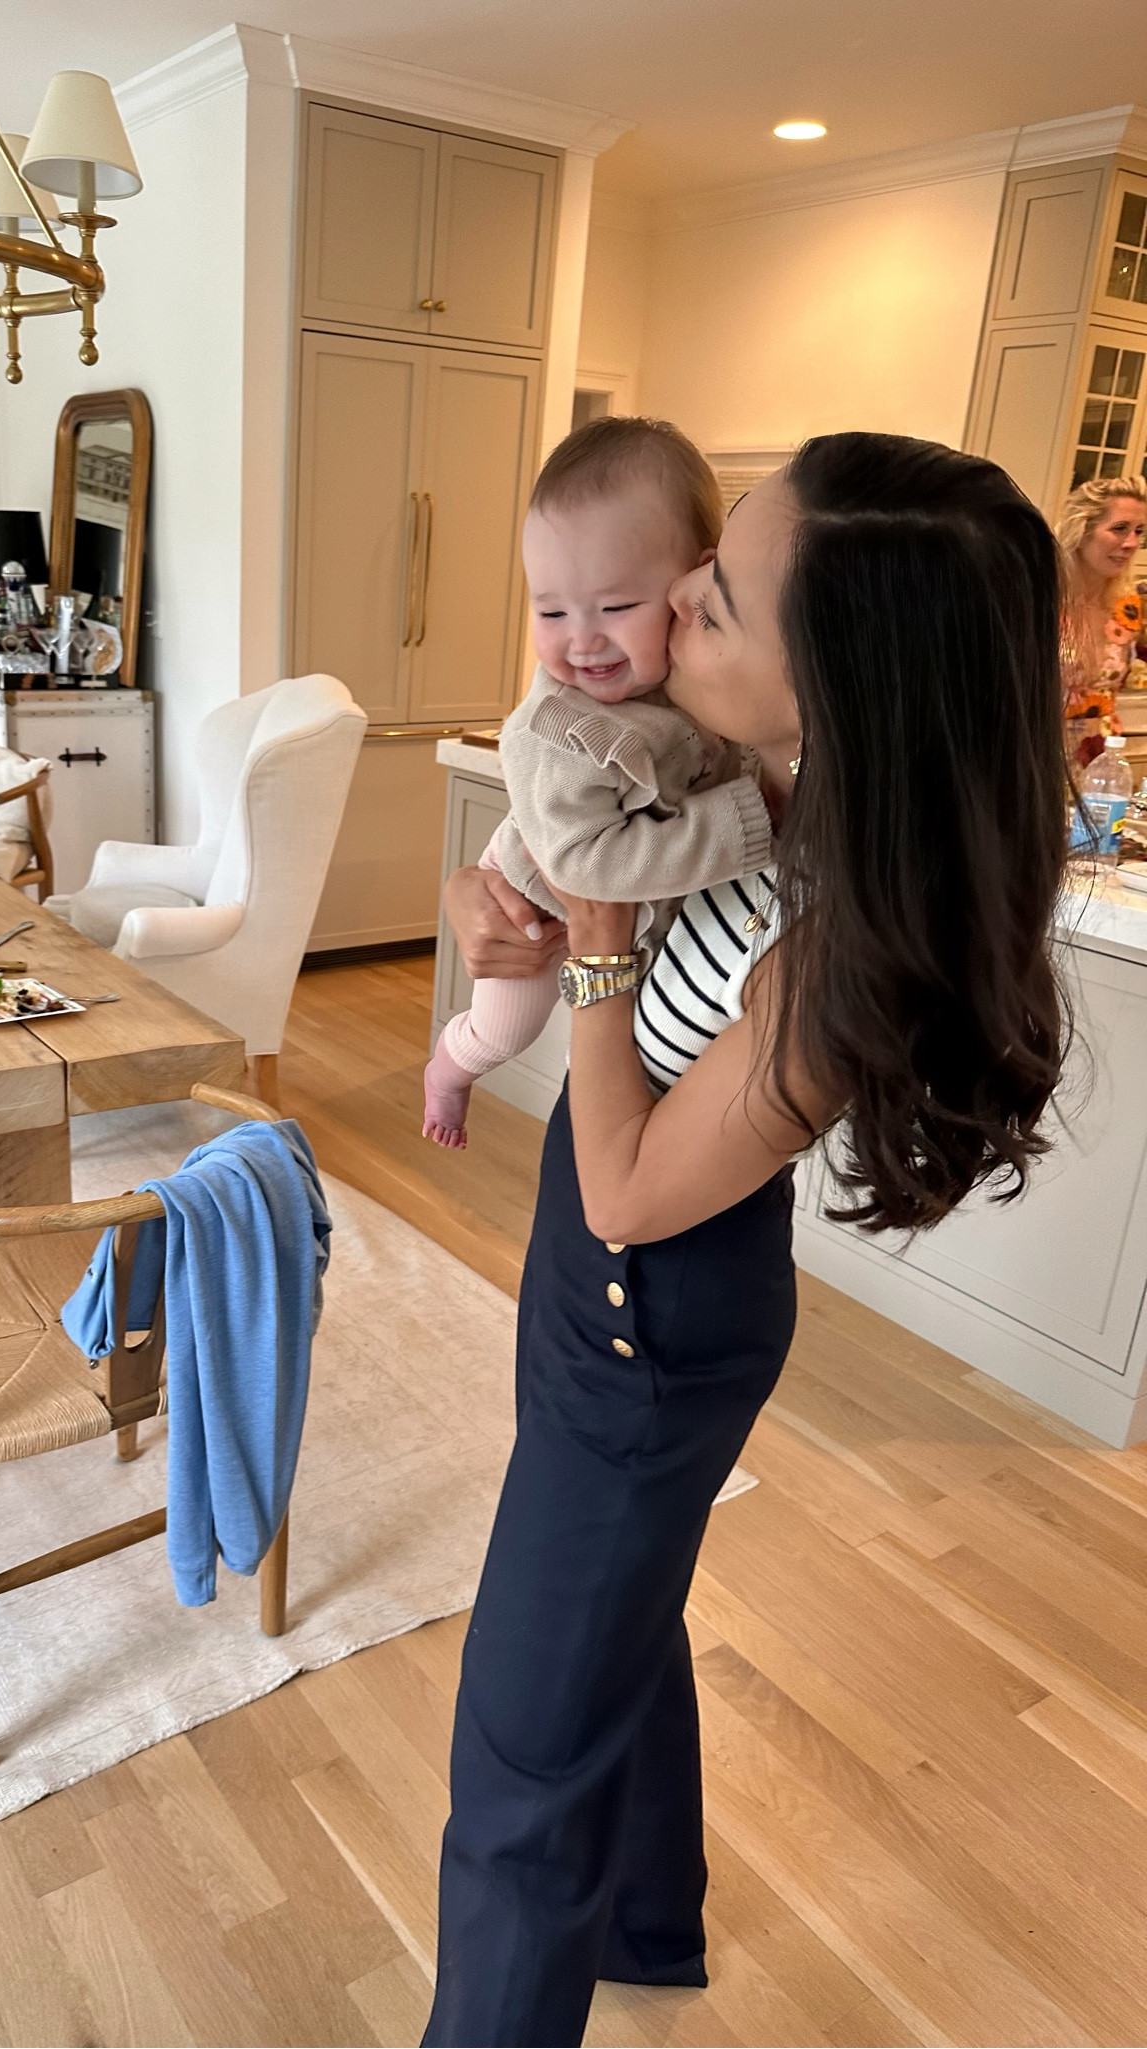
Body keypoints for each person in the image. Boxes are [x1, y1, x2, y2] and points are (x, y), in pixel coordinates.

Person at [422, 432, 1069, 2048]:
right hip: (605, 1266)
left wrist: (589, 953)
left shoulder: (844, 933)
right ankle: (647, 1921)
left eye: (709, 606)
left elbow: (634, 1183)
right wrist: (491, 914)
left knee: (517, 1745)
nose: (663, 626)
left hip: (654, 1294)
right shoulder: (719, 769)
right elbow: (542, 892)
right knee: (608, 1630)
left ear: (829, 688)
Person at [422, 418, 772, 1149]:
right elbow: (582, 865)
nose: (580, 639)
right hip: (539, 895)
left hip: (635, 950)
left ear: (692, 586)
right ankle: (450, 1069)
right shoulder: (560, 727)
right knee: (505, 1027)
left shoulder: (696, 689)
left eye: (616, 608)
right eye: (550, 610)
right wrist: (750, 820)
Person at [1056, 474, 1147, 766]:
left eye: (1139, 531)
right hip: (1036, 754)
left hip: (1100, 760)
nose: (1131, 543)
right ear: (1082, 529)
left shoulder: (1127, 606)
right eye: (1120, 529)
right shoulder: (1041, 601)